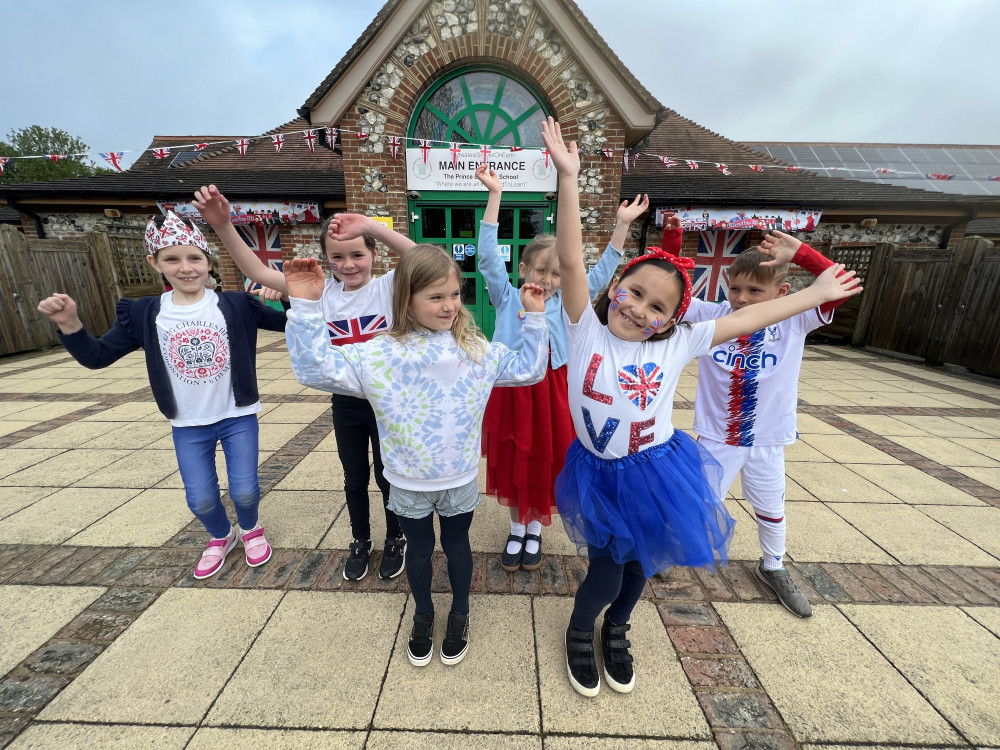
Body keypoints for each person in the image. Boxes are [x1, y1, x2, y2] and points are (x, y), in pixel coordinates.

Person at [539, 117, 861, 698]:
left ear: (672, 318)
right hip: (600, 474)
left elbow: (747, 318)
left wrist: (813, 294)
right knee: (607, 568)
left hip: (657, 470)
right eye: (634, 293)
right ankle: (582, 631)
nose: (639, 310)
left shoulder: (681, 340)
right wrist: (568, 180)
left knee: (643, 565)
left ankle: (619, 627)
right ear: (615, 288)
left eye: (657, 306)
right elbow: (567, 259)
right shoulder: (585, 325)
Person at [282, 248, 549, 667]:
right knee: (420, 549)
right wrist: (305, 305)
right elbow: (315, 370)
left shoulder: (476, 350)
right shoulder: (379, 353)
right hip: (408, 480)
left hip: (457, 476)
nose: (449, 305)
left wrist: (534, 319)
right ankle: (424, 612)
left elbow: (530, 369)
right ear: (406, 297)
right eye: (435, 296)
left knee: (458, 545)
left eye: (454, 294)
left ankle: (459, 612)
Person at [36, 212, 286, 580]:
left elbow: (290, 326)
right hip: (188, 423)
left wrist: (288, 297)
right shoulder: (143, 313)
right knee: (200, 497)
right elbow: (97, 356)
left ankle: (249, 528)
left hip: (237, 415)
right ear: (155, 263)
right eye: (172, 259)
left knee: (246, 489)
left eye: (194, 258)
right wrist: (70, 324)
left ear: (209, 262)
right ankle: (222, 535)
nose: (185, 268)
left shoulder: (235, 305)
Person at [194, 185, 414, 582]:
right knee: (354, 476)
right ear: (327, 260)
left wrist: (373, 227)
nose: (348, 264)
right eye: (338, 257)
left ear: (375, 255)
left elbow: (426, 259)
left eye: (358, 254)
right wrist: (224, 225)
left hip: (389, 402)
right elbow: (257, 272)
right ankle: (360, 540)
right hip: (346, 402)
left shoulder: (389, 287)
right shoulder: (319, 292)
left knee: (389, 474)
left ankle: (396, 538)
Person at [659, 221, 850, 618]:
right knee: (698, 501)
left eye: (754, 290)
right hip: (716, 437)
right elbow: (671, 287)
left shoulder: (794, 317)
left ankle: (773, 565)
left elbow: (838, 283)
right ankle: (671, 552)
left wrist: (801, 254)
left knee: (771, 505)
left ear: (782, 292)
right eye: (735, 289)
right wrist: (673, 241)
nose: (742, 299)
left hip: (767, 439)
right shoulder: (712, 316)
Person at [474, 164, 644, 571]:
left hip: (553, 391)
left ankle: (536, 530)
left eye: (556, 273)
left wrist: (621, 227)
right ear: (522, 270)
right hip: (512, 390)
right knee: (514, 460)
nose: (548, 280)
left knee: (546, 459)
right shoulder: (507, 295)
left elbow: (601, 275)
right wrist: (494, 196)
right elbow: (486, 257)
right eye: (540, 271)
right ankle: (517, 527)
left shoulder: (569, 305)